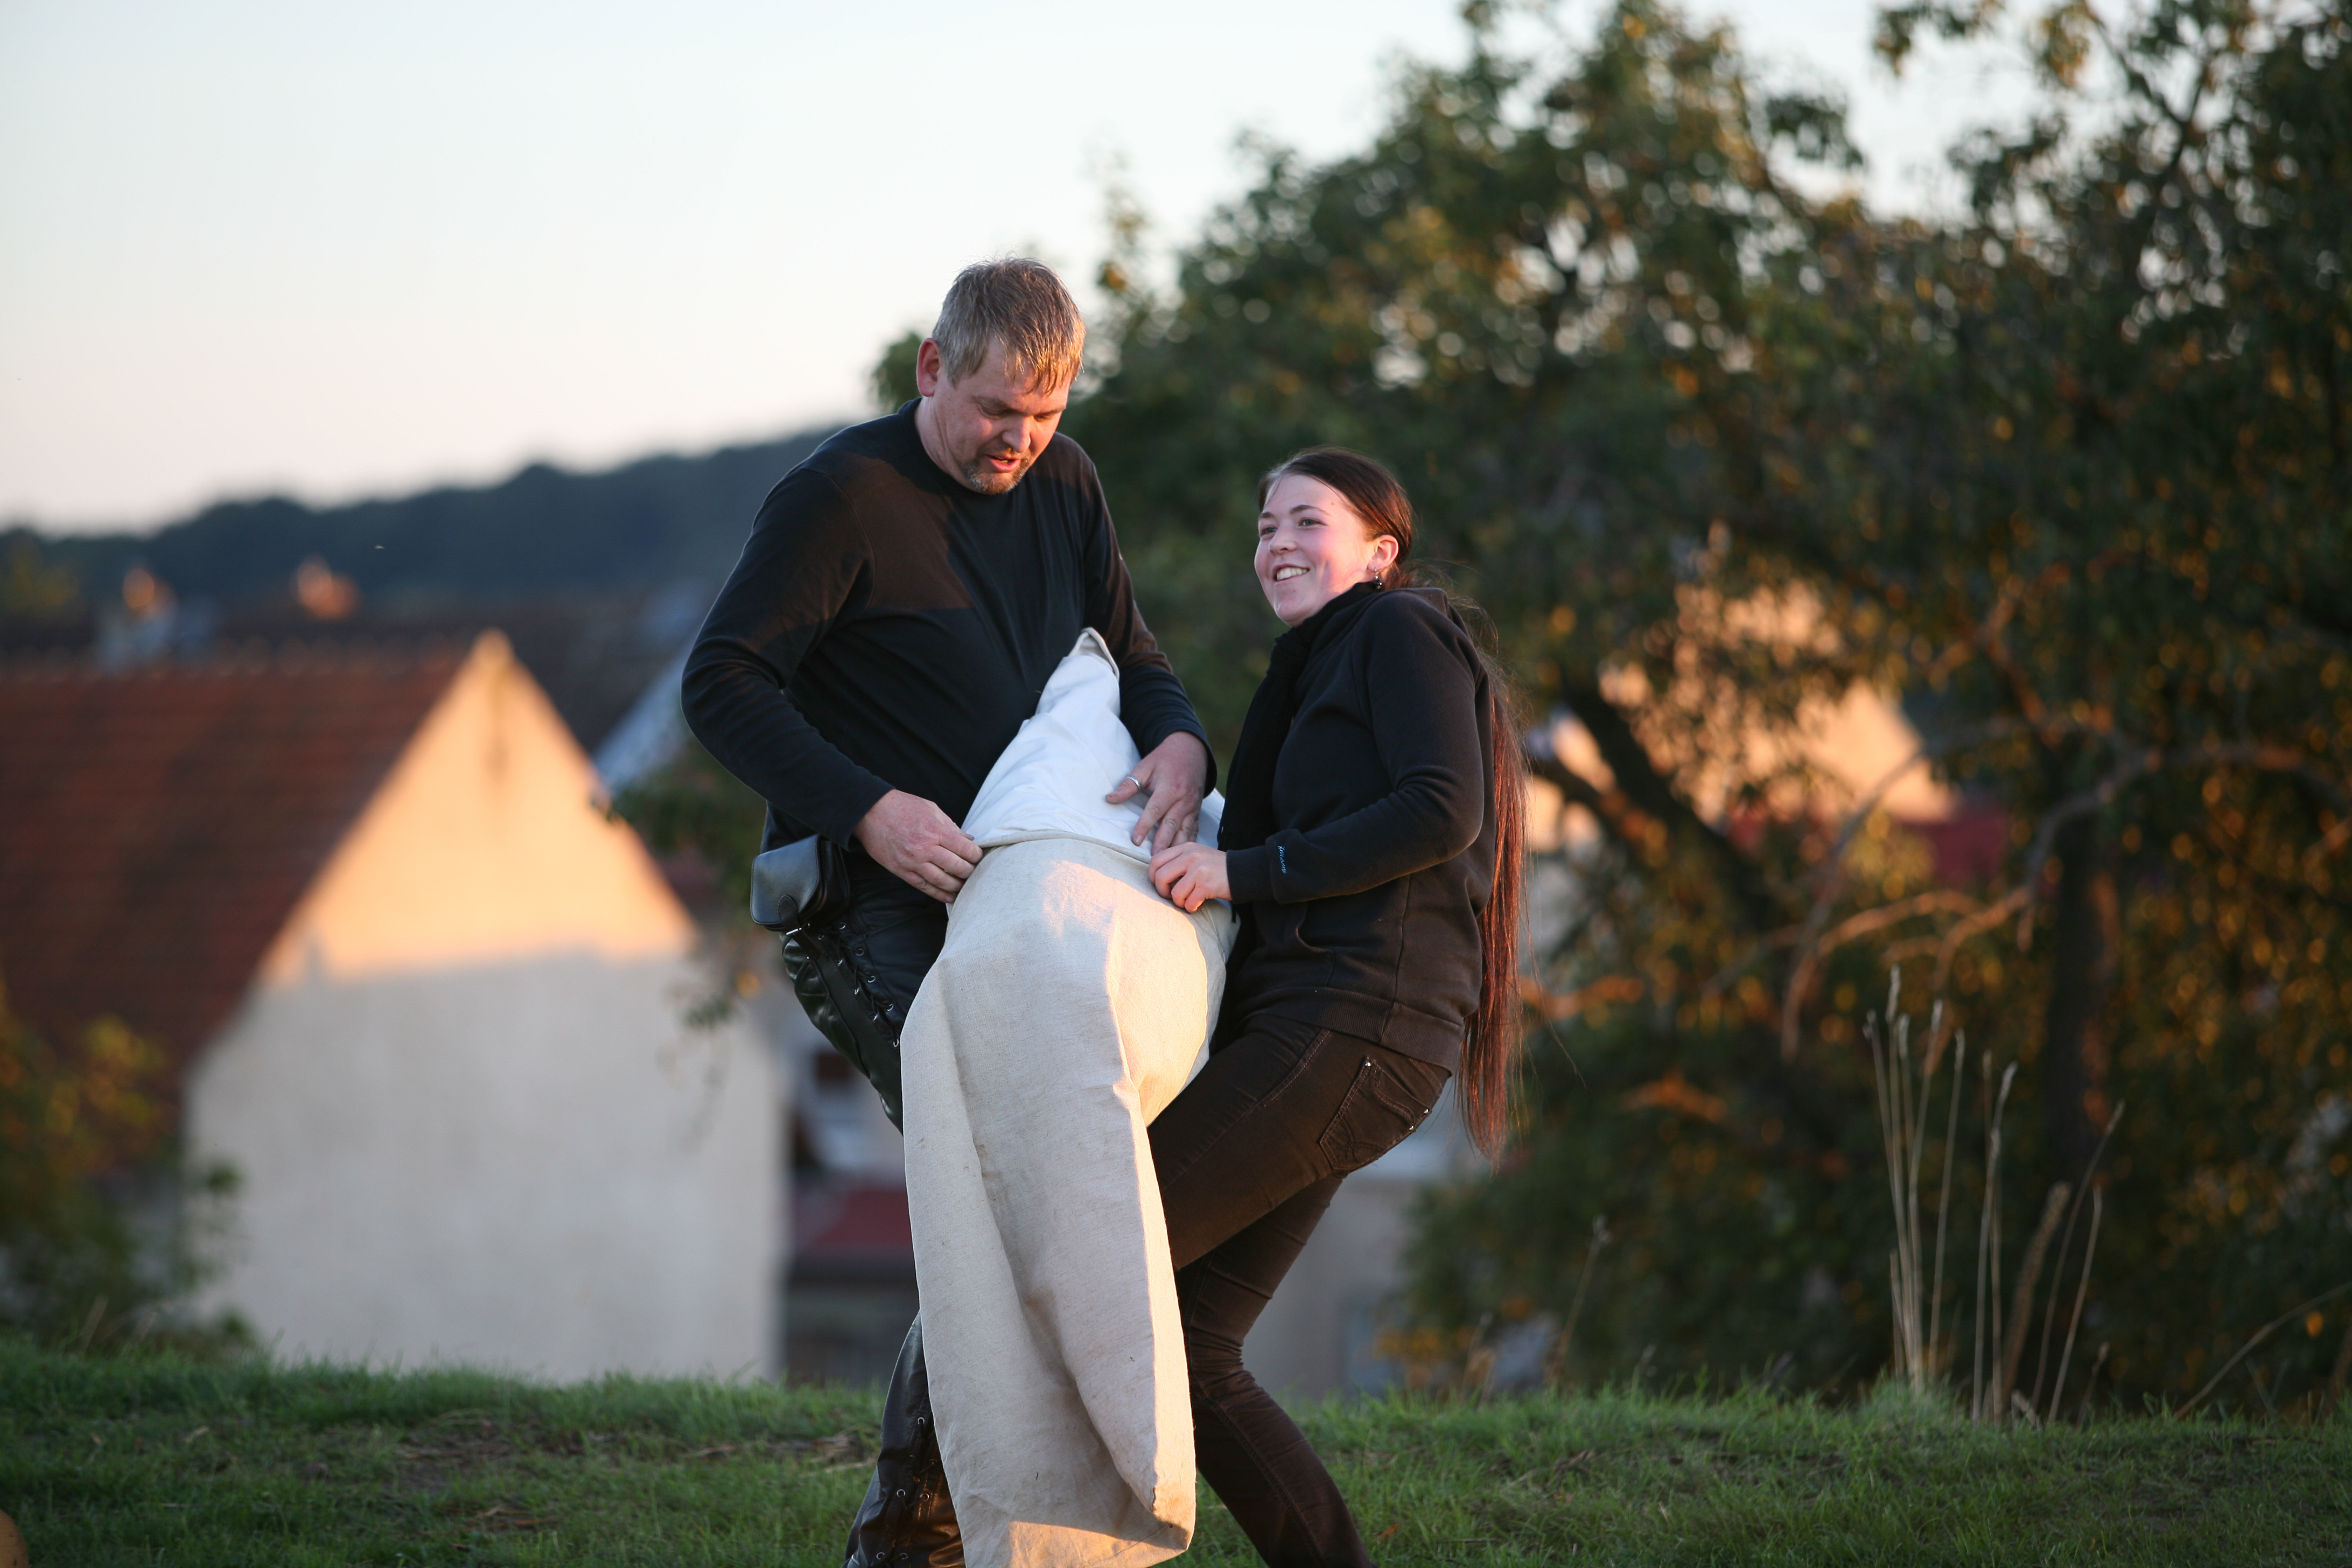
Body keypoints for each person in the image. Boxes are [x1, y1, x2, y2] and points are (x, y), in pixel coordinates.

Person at [682, 257, 1213, 1568]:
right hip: (865, 911)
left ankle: (938, 1524)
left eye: (1044, 413)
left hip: (1025, 910)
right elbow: (722, 684)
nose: (1018, 441)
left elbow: (1132, 654)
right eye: (994, 410)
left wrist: (1182, 742)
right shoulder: (839, 500)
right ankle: (908, 1530)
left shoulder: (1067, 482)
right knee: (997, 1178)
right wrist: (870, 808)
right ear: (931, 369)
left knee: (1030, 1184)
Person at [1147, 447, 1527, 1567]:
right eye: (1265, 526)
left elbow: (1442, 809)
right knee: (1188, 1349)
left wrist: (1240, 871)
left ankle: (927, 1525)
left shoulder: (1398, 631)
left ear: (1379, 550)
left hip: (1350, 1026)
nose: (1276, 543)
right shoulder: (1314, 664)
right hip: (1325, 1037)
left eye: (1307, 521)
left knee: (1092, 1255)